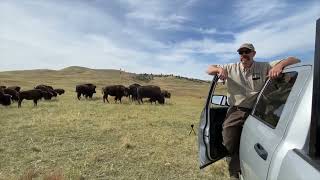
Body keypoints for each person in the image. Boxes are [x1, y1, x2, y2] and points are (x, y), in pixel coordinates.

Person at [206, 43, 300, 180]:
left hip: (259, 110)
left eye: (247, 51)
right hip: (236, 110)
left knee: (266, 143)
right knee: (228, 140)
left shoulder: (264, 66)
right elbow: (208, 69)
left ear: (253, 54)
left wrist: (280, 66)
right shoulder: (230, 68)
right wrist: (219, 70)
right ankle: (234, 172)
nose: (244, 54)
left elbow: (295, 59)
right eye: (241, 52)